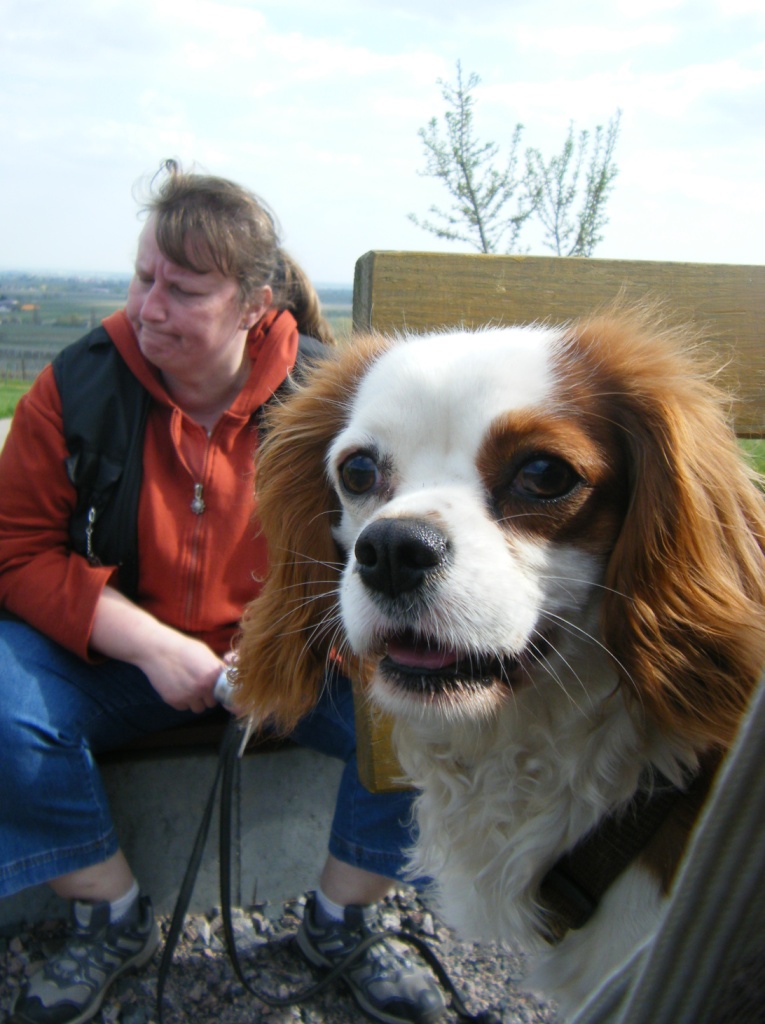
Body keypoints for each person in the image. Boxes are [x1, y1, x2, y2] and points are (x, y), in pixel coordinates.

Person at [0, 161, 445, 1024]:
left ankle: (342, 920)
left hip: (300, 662)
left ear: (253, 304)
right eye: (143, 277)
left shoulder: (338, 398)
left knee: (422, 701)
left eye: (184, 290)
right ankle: (109, 913)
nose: (148, 307)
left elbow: (389, 548)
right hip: (118, 662)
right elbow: (16, 549)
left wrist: (292, 649)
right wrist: (151, 644)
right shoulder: (76, 387)